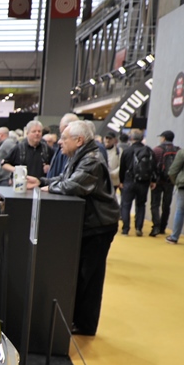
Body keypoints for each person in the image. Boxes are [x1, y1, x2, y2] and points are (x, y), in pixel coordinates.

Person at [26, 120, 119, 336]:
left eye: (64, 138)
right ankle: (78, 320)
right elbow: (65, 178)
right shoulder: (80, 156)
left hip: (99, 226)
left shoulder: (91, 159)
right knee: (84, 275)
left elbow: (74, 185)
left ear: (79, 140)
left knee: (90, 277)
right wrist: (41, 181)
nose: (60, 142)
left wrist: (49, 187)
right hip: (91, 223)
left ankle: (85, 325)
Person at [119, 128, 156, 236]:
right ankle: (139, 227)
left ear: (131, 138)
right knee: (141, 205)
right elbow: (153, 167)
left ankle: (125, 229)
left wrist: (121, 181)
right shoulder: (148, 151)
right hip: (143, 182)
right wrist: (153, 180)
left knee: (126, 205)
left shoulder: (127, 151)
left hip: (129, 181)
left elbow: (122, 168)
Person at [150, 130, 178, 237]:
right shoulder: (178, 150)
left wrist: (152, 180)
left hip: (157, 181)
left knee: (155, 204)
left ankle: (156, 226)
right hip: (170, 182)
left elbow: (152, 166)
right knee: (166, 205)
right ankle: (162, 227)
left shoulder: (157, 150)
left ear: (164, 138)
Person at [103, 131, 122, 199]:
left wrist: (112, 173)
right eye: (106, 138)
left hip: (113, 180)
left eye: (110, 139)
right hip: (102, 180)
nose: (108, 140)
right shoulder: (100, 149)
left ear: (114, 140)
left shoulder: (118, 151)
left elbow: (121, 165)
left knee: (111, 198)